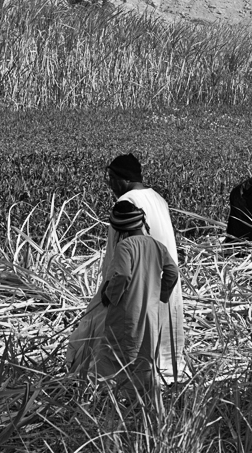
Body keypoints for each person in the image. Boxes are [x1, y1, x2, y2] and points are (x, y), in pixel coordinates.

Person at [67, 153, 188, 383]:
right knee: (155, 341)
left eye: (110, 179)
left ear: (121, 179)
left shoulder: (126, 204)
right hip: (159, 287)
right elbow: (171, 267)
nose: (110, 185)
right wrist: (162, 293)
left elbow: (118, 264)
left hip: (131, 291)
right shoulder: (158, 199)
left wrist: (108, 292)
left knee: (113, 341)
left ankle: (103, 382)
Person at [98, 200, 178, 398]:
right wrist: (161, 294)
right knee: (145, 357)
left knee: (115, 357)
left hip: (126, 313)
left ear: (120, 228)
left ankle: (115, 400)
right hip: (151, 314)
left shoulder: (125, 247)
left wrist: (110, 294)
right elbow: (173, 271)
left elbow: (123, 275)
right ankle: (144, 401)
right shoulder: (157, 246)